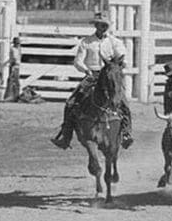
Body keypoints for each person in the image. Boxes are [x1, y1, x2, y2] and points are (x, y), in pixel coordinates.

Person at [51, 12, 133, 150]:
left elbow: (124, 59)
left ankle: (126, 133)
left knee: (123, 103)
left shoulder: (115, 42)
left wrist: (119, 65)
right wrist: (86, 70)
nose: (103, 27)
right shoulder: (86, 42)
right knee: (71, 102)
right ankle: (66, 136)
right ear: (95, 25)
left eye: (105, 25)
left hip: (110, 76)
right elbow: (78, 61)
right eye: (100, 24)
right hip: (92, 75)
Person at [3, 36, 21, 102]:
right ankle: (10, 96)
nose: (18, 44)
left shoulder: (18, 49)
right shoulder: (12, 49)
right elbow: (13, 58)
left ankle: (15, 96)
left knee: (16, 82)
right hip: (14, 66)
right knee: (12, 81)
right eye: (17, 43)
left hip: (17, 66)